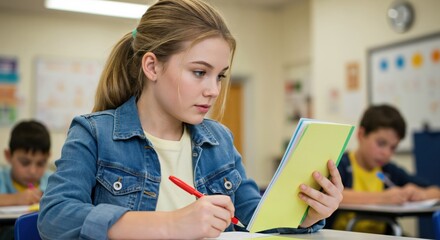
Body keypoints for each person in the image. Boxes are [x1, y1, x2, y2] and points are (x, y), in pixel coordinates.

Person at [38, 0, 343, 239]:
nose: (213, 90)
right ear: (152, 67)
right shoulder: (94, 133)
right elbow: (56, 217)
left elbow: (255, 221)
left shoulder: (219, 140)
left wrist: (307, 217)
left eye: (219, 76)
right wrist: (172, 224)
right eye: (199, 72)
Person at [328, 104, 440, 234]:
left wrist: (421, 194)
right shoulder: (340, 164)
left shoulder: (388, 171)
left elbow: (436, 191)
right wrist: (382, 198)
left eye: (393, 147)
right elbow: (331, 194)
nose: (387, 153)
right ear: (361, 134)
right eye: (381, 143)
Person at [0, 120, 51, 239]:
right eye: (25, 163)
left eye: (40, 164)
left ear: (48, 157)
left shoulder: (52, 180)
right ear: (8, 155)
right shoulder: (2, 177)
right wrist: (15, 199)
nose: (32, 171)